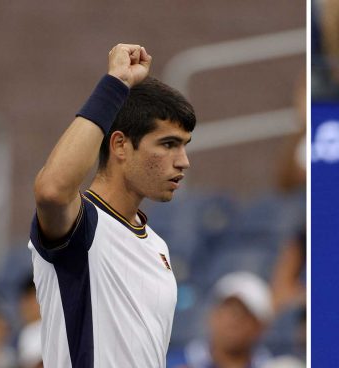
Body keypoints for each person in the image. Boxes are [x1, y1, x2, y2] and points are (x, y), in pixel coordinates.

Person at [28, 43, 195, 367]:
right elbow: (51, 189)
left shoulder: (157, 246)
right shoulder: (83, 226)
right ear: (119, 144)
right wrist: (116, 82)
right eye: (168, 144)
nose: (183, 161)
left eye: (184, 145)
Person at [173, 272, 274, 368]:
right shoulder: (174, 362)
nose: (234, 321)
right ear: (213, 316)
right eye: (227, 310)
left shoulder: (274, 365)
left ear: (259, 327)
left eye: (245, 314)